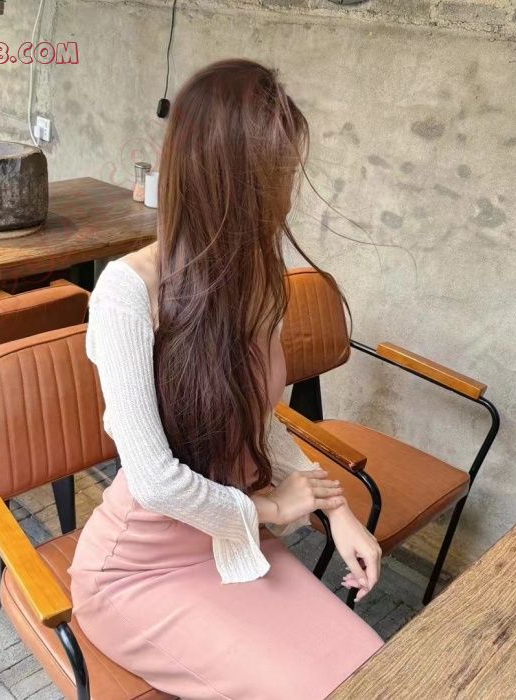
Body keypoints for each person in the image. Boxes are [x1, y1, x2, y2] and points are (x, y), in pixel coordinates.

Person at [68, 58, 384, 699]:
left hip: (229, 542)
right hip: (138, 570)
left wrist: (337, 509)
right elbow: (155, 481)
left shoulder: (256, 279)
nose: (288, 197)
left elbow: (259, 422)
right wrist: (273, 508)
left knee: (373, 668)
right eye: (278, 177)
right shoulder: (127, 293)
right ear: (227, 182)